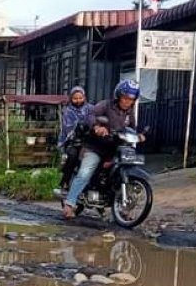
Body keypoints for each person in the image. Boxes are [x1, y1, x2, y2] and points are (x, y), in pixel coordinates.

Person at [63, 79, 145, 219]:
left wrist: (138, 136)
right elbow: (90, 115)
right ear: (119, 95)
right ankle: (69, 204)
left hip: (114, 150)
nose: (127, 101)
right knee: (85, 172)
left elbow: (131, 128)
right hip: (95, 147)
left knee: (120, 174)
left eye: (131, 99)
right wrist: (97, 127)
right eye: (125, 98)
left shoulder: (129, 113)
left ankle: (122, 209)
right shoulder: (106, 105)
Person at [58, 86, 93, 190]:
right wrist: (79, 127)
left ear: (84, 97)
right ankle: (65, 181)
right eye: (75, 98)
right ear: (71, 99)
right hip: (73, 141)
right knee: (73, 156)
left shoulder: (91, 108)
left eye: (80, 98)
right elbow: (68, 128)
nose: (78, 100)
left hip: (90, 140)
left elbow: (96, 119)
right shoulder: (68, 111)